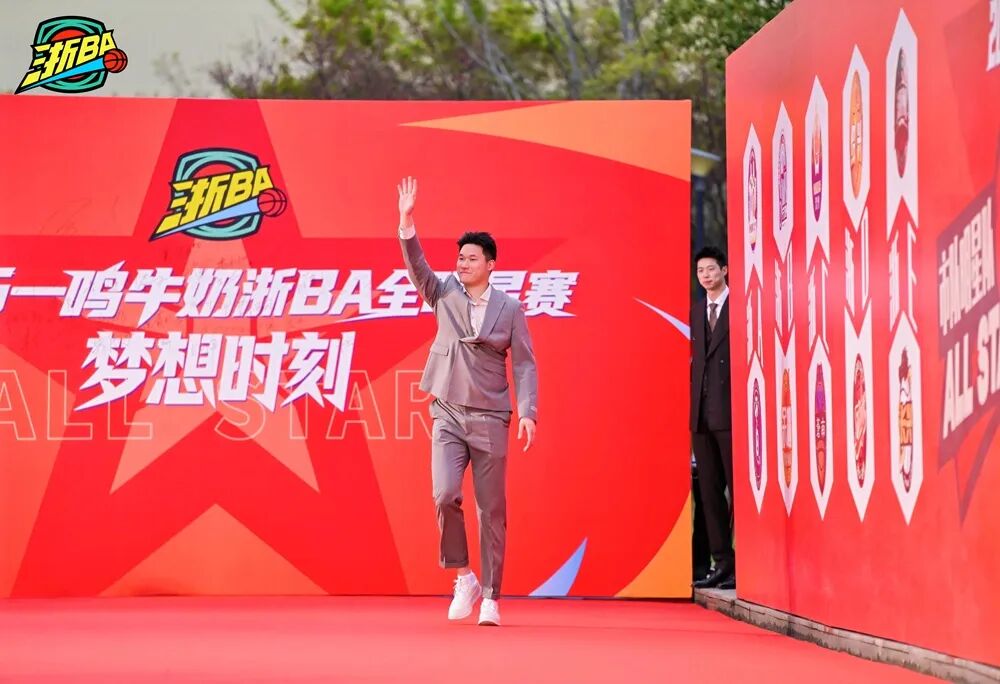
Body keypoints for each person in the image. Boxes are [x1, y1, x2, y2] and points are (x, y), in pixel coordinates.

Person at [396, 176, 539, 626]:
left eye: (472, 258)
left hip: (491, 415)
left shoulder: (510, 309)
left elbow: (525, 364)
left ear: (490, 264)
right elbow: (418, 266)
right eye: (460, 258)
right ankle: (464, 577)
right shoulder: (443, 293)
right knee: (444, 494)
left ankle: (492, 596)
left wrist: (528, 413)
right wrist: (406, 221)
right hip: (447, 412)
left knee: (491, 510)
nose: (463, 264)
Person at [690, 246, 735, 590]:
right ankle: (721, 563)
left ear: (724, 270)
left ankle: (743, 563)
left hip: (732, 415)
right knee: (708, 493)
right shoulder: (696, 312)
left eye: (710, 269)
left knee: (737, 492)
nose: (705, 275)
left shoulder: (741, 307)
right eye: (700, 271)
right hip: (702, 418)